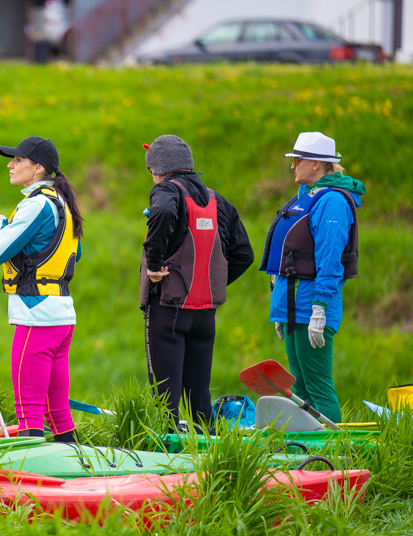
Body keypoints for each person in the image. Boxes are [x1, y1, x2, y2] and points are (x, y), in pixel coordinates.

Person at [140, 134, 253, 427]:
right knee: (199, 398)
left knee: (165, 399)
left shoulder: (166, 191)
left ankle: (165, 462)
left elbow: (163, 211)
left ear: (155, 168)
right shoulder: (218, 200)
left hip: (169, 310)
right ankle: (209, 458)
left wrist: (154, 264)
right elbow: (243, 254)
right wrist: (208, 282)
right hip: (205, 315)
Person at [260, 132, 364, 424]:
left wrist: (320, 307)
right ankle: (306, 459)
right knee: (301, 391)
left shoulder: (332, 202)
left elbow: (330, 258)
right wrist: (280, 310)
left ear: (317, 164)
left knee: (318, 390)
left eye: (297, 160)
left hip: (311, 309)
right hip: (293, 308)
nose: (293, 166)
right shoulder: (306, 196)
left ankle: (334, 456)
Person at [0, 136, 82, 442]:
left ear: (38, 167)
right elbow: (73, 255)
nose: (10, 164)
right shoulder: (63, 203)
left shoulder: (36, 204)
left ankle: (30, 471)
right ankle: (75, 461)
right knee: (59, 414)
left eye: (18, 160)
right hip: (61, 315)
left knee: (28, 410)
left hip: (35, 314)